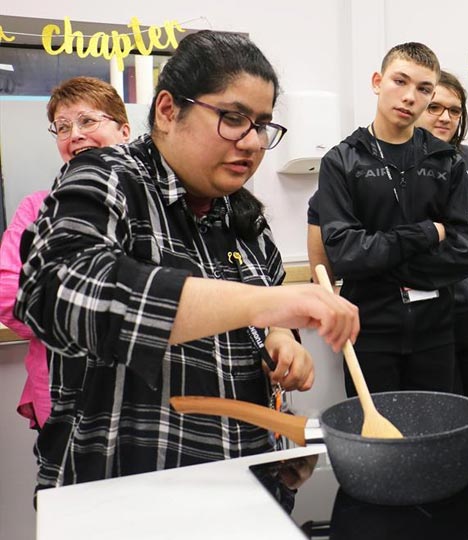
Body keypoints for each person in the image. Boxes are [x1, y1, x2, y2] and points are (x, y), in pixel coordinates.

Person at [15, 30, 359, 491]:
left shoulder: (238, 212)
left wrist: (280, 337)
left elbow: (268, 300)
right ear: (168, 110)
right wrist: (263, 306)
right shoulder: (108, 177)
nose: (253, 142)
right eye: (234, 118)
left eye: (262, 125)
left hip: (244, 486)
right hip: (128, 491)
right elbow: (58, 292)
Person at [316, 43, 468, 397]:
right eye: (399, 82)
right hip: (369, 333)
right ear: (377, 81)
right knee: (377, 447)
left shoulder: (446, 161)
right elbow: (346, 255)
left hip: (435, 335)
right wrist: (426, 233)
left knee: (432, 441)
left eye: (423, 89)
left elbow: (466, 253)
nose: (409, 97)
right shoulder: (342, 161)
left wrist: (379, 259)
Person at [0, 76, 131, 431]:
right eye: (62, 127)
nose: (74, 135)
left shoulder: (151, 204)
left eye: (88, 121)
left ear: (124, 131)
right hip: (60, 391)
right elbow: (8, 290)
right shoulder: (37, 208)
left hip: (143, 392)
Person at [414, 70, 468, 411]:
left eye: (455, 110)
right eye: (435, 107)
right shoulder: (404, 164)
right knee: (446, 419)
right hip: (433, 310)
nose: (446, 117)